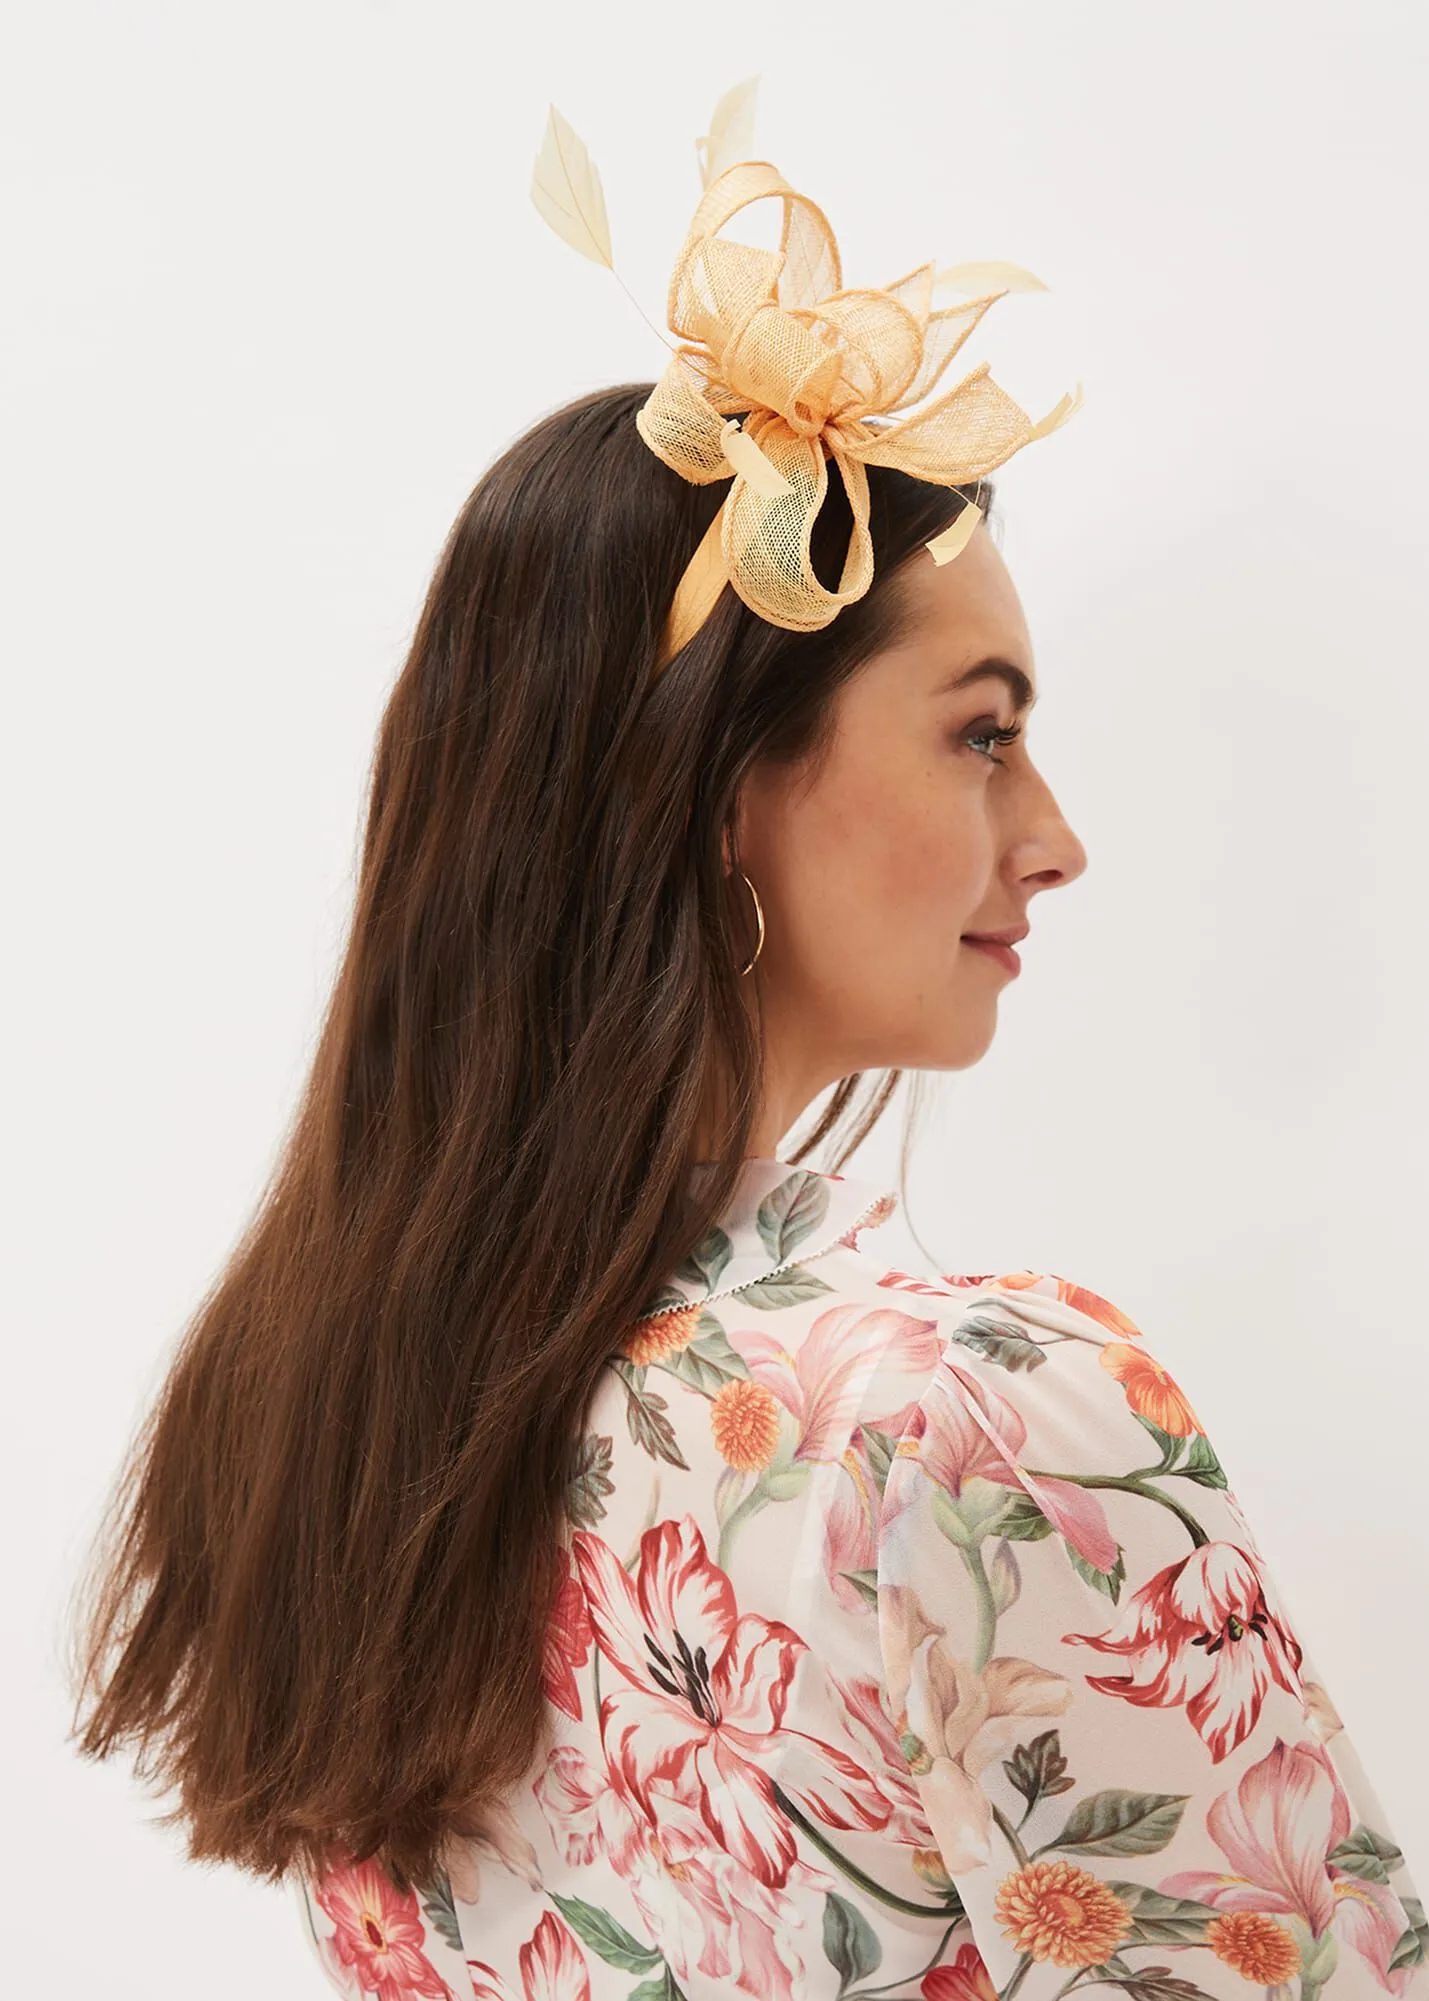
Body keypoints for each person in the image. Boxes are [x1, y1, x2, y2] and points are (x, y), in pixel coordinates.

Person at [66, 149, 1425, 2001]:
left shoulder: (314, 1404)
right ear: (720, 790)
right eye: (983, 736)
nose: (1053, 839)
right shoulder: (972, 1421)